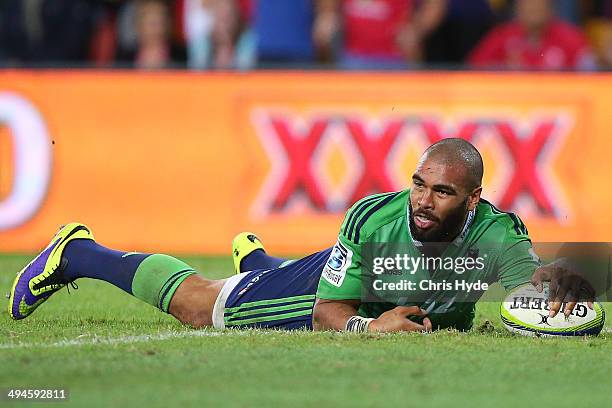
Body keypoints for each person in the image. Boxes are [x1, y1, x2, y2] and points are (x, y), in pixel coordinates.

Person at [8, 139, 594, 332]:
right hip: (337, 293)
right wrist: (373, 328)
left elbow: (530, 282)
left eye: (441, 193)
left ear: (474, 201)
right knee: (199, 305)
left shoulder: (496, 233)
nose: (423, 200)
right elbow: (328, 310)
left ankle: (258, 259)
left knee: (260, 277)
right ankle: (81, 252)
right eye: (418, 184)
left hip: (362, 284)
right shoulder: (374, 220)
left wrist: (559, 283)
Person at [468, 0, 596, 70]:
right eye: (528, 5)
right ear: (518, 10)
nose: (534, 9)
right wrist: (502, 68)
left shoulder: (570, 36)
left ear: (551, 9)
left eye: (539, 5)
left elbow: (591, 71)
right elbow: (472, 68)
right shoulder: (502, 35)